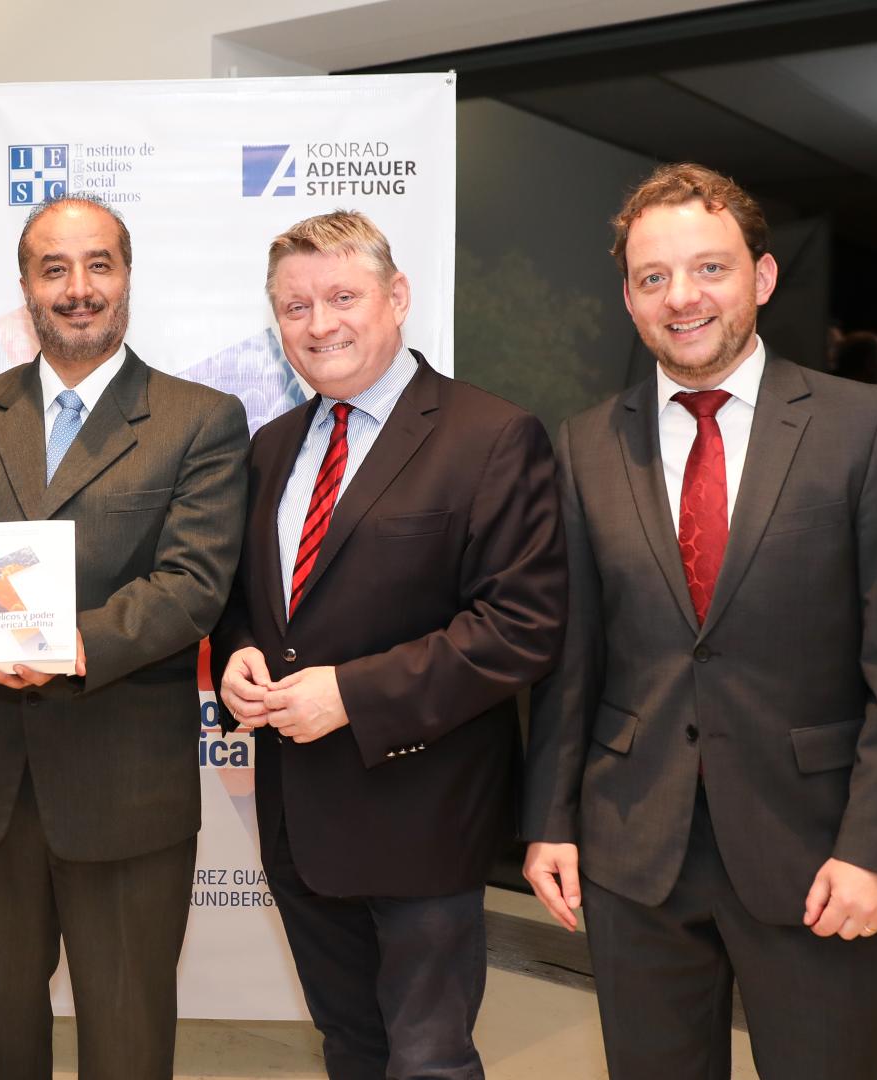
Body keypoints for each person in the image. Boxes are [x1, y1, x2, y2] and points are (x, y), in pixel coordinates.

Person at [522, 162, 877, 1079]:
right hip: (633, 852)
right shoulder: (585, 442)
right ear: (629, 298)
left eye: (708, 268)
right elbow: (573, 655)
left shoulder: (866, 427)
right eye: (652, 276)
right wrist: (549, 820)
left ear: (760, 277)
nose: (681, 296)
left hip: (819, 857)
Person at [0, 194, 248, 1079]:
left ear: (126, 278)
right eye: (54, 269)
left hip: (124, 785)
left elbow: (192, 584)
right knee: (3, 1041)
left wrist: (67, 646)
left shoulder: (200, 418)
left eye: (97, 265)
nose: (77, 288)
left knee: (126, 1044)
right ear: (26, 287)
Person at [209, 210, 566, 1079]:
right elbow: (248, 601)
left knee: (428, 1059)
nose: (318, 324)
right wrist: (238, 650)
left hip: (421, 810)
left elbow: (518, 626)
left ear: (396, 296)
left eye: (342, 297)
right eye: (295, 307)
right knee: (351, 1047)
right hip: (297, 815)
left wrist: (350, 694)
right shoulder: (271, 446)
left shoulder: (490, 436)